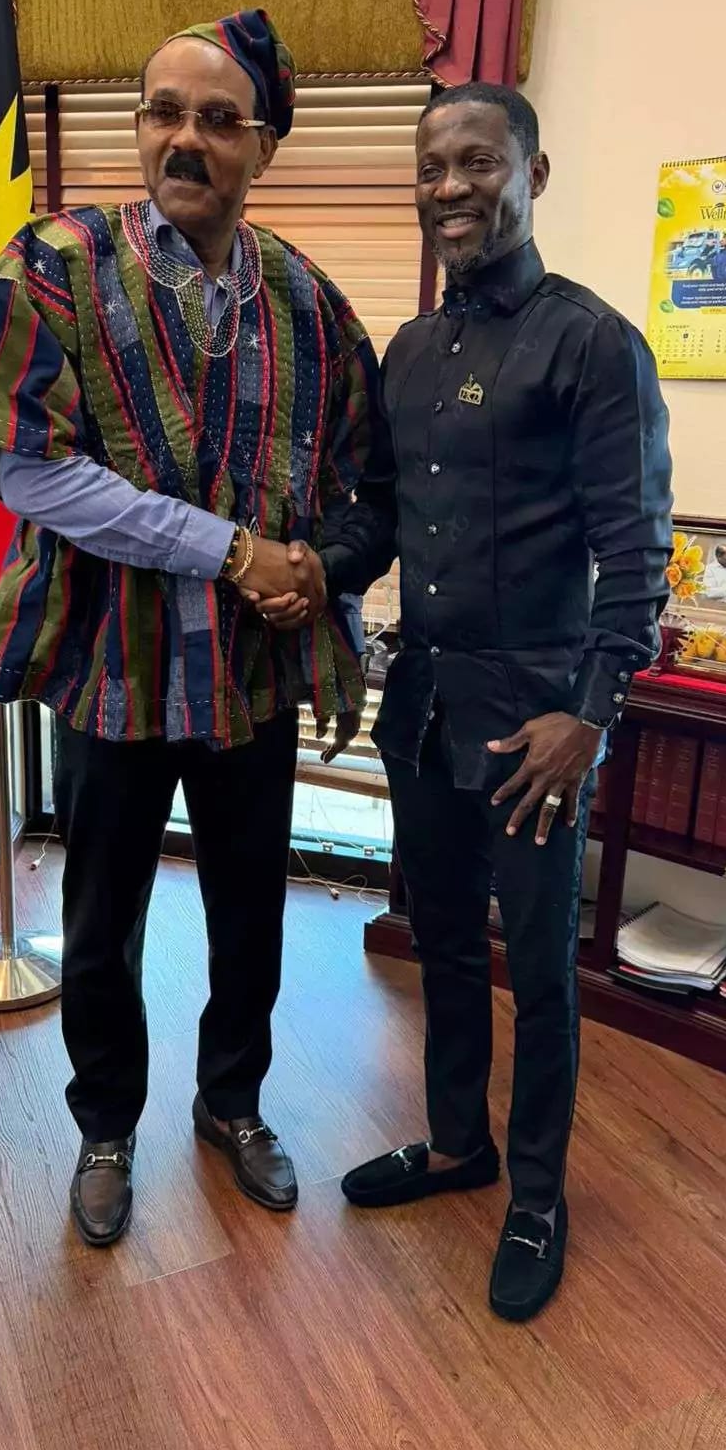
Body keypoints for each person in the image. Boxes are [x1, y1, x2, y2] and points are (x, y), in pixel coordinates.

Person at [0, 10, 376, 1246]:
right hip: (110, 669)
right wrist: (235, 550)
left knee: (251, 916)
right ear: (138, 128)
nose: (186, 139)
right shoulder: (54, 268)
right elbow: (33, 472)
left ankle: (232, 1103)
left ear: (266, 145)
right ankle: (105, 1126)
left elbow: (361, 479)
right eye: (163, 112)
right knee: (100, 925)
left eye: (219, 119)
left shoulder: (310, 301)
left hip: (249, 679)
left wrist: (316, 575)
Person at [257, 81, 673, 1321]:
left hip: (540, 725)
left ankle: (536, 1196)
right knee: (438, 937)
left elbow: (635, 551)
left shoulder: (593, 343)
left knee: (538, 968)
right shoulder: (411, 352)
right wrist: (315, 571)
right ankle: (456, 1144)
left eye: (477, 162)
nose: (449, 186)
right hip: (428, 704)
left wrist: (590, 715)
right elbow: (383, 515)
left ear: (531, 175)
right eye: (431, 165)